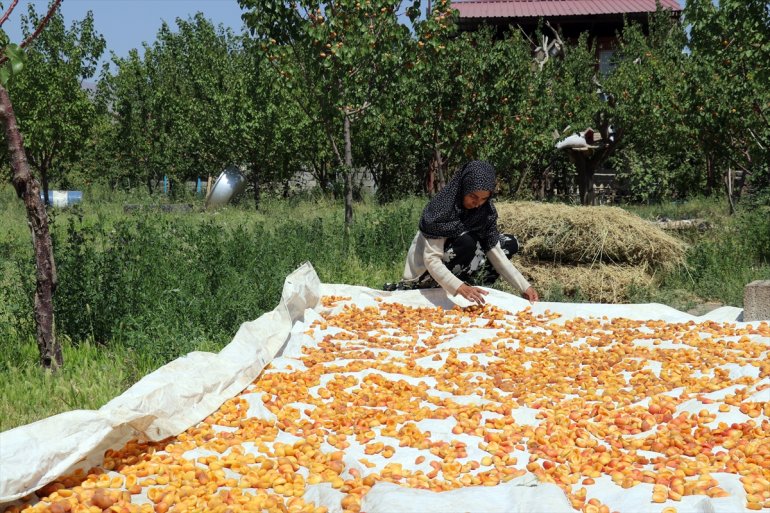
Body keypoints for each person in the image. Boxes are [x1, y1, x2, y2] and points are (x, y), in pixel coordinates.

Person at [384, 160, 538, 305]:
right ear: (463, 188)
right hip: (426, 273)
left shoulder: (485, 211)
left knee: (508, 243)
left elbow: (494, 251)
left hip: (458, 262)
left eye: (484, 198)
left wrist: (524, 287)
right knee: (468, 241)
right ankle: (444, 286)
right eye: (473, 196)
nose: (477, 203)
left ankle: (473, 285)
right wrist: (459, 287)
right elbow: (431, 260)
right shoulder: (441, 210)